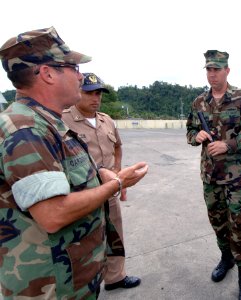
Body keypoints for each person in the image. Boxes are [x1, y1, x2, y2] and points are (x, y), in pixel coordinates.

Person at [0, 27, 148, 299]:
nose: (80, 76)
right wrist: (116, 183)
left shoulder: (46, 122)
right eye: (73, 67)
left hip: (72, 276)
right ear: (47, 73)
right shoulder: (26, 130)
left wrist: (100, 173)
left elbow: (69, 173)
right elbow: (54, 214)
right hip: (50, 285)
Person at [186, 50, 241, 300]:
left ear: (227, 71)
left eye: (216, 69)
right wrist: (195, 136)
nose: (212, 74)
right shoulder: (199, 102)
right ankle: (226, 258)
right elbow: (190, 131)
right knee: (218, 223)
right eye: (208, 69)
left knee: (238, 225)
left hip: (236, 177)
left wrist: (229, 145)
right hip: (210, 177)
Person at [62, 73, 141, 291]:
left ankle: (115, 277)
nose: (95, 98)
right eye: (89, 92)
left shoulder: (107, 120)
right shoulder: (62, 120)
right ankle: (86, 285)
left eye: (98, 93)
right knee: (84, 241)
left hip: (109, 190)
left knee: (114, 234)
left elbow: (117, 147)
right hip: (82, 195)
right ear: (77, 92)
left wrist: (117, 173)